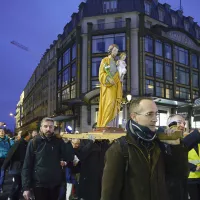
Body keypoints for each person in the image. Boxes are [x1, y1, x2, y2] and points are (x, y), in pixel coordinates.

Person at [101, 97, 169, 200]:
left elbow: (177, 176)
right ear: (134, 117)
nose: (155, 119)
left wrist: (176, 145)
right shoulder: (119, 148)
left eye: (156, 114)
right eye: (149, 114)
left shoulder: (158, 144)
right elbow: (109, 194)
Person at [22, 117, 74, 200]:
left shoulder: (59, 141)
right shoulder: (34, 142)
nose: (48, 129)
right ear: (41, 128)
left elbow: (69, 157)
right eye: (45, 126)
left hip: (55, 184)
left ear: (54, 128)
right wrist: (26, 187)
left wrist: (67, 143)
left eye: (50, 126)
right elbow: (27, 165)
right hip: (39, 184)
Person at [163, 114, 200, 200]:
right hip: (169, 190)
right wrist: (197, 133)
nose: (183, 125)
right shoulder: (164, 141)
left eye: (184, 123)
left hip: (182, 186)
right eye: (179, 122)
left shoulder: (181, 143)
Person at [97, 44, 122, 127]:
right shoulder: (105, 60)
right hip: (108, 88)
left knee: (114, 105)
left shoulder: (116, 63)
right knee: (109, 104)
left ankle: (112, 125)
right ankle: (105, 125)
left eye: (117, 51)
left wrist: (121, 74)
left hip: (115, 87)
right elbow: (101, 74)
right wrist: (108, 78)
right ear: (110, 50)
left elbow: (119, 76)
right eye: (114, 50)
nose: (115, 52)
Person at [1, 130, 31, 200]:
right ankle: (11, 197)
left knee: (19, 184)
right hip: (17, 167)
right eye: (29, 135)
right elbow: (10, 155)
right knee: (17, 184)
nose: (30, 136)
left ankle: (14, 197)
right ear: (26, 136)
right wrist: (4, 166)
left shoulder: (24, 143)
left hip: (20, 167)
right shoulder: (19, 143)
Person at [0, 127, 14, 193]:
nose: (2, 132)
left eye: (2, 131)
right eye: (0, 131)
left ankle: (0, 187)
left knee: (2, 173)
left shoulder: (8, 140)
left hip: (5, 159)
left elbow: (13, 146)